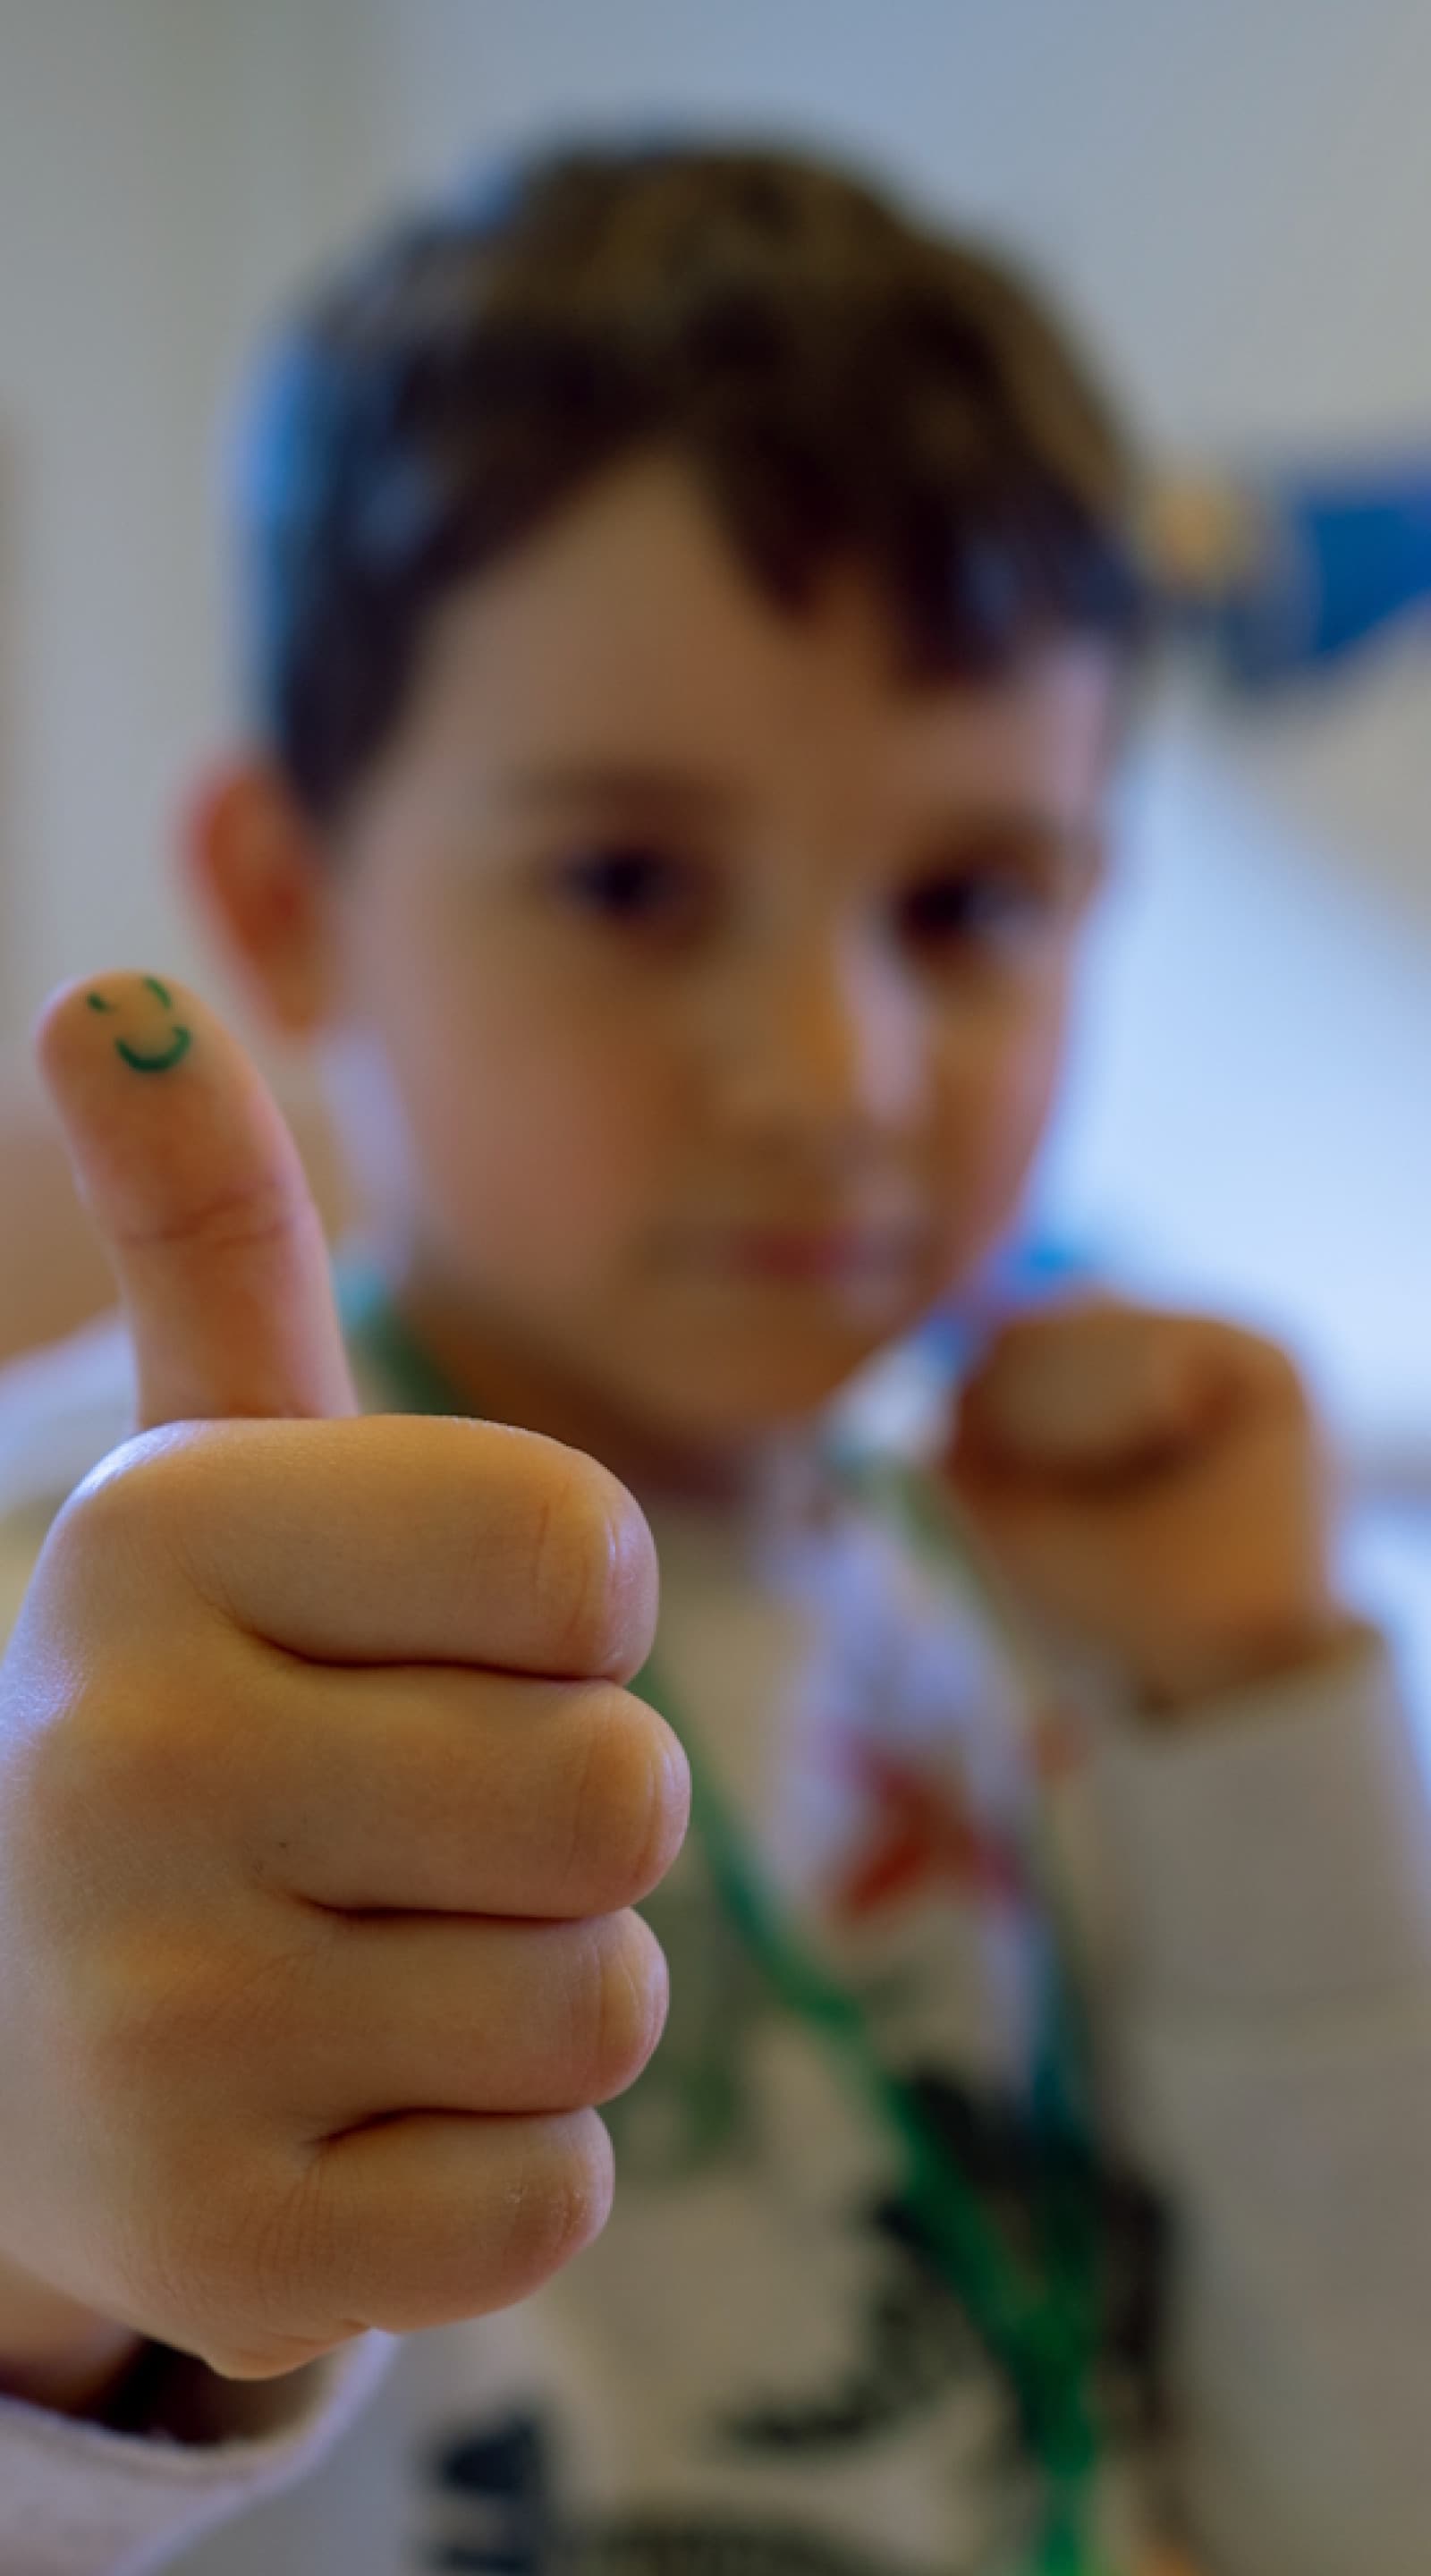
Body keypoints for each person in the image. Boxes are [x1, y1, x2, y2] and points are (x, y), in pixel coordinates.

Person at [0, 137, 1428, 2576]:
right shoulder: (88, 1604)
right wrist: (44, 2252)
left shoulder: (1062, 1617)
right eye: (634, 884)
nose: (837, 1073)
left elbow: (1361, 2489)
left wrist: (1263, 1729)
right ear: (284, 900)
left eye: (973, 901)